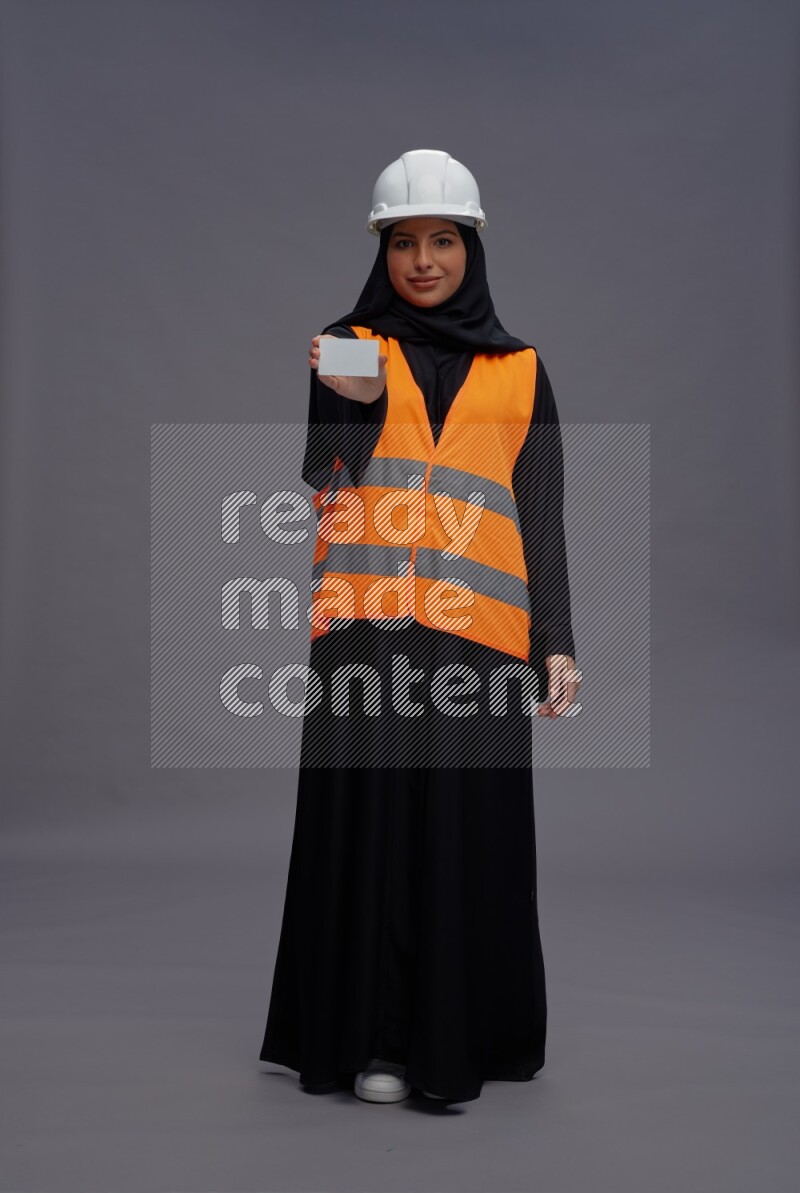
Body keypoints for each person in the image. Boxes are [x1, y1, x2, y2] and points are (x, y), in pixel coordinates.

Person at [258, 149, 579, 1105]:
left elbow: (541, 513)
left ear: (470, 249)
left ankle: (461, 1040)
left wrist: (554, 641)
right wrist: (355, 410)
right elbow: (327, 481)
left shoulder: (522, 370)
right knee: (371, 827)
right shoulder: (349, 342)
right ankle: (374, 1043)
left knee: (464, 837)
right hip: (366, 630)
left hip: (477, 636)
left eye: (443, 240)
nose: (424, 260)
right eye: (405, 242)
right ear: (382, 249)